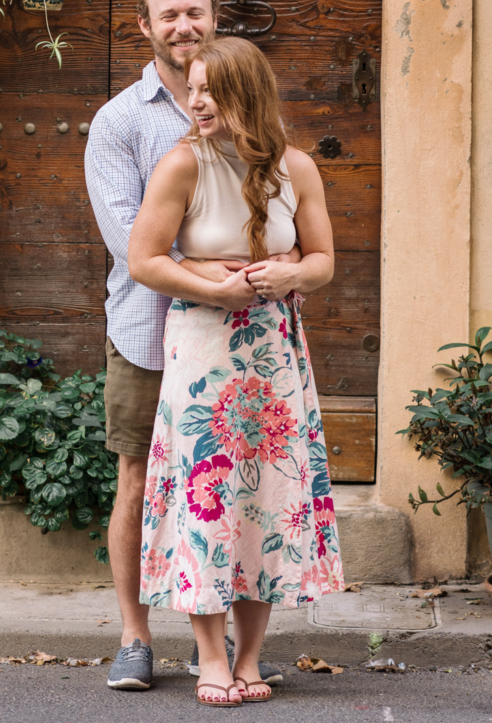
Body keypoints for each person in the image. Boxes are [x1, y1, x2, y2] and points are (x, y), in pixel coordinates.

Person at [84, 0, 294, 693]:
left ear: (212, 17)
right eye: (167, 15)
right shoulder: (121, 121)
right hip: (148, 328)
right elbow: (130, 243)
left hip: (243, 339)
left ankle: (239, 647)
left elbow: (287, 225)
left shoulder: (246, 106)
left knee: (242, 483)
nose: (183, 26)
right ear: (144, 27)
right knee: (140, 476)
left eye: (194, 12)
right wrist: (226, 282)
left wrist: (270, 274)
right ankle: (136, 636)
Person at [128, 36, 343, 707]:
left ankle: (250, 659)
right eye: (191, 89)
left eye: (209, 90)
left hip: (275, 352)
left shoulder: (297, 168)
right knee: (207, 496)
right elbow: (144, 259)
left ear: (247, 93)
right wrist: (214, 290)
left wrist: (288, 272)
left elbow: (323, 260)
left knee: (265, 500)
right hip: (203, 351)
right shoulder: (181, 166)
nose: (195, 100)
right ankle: (211, 657)